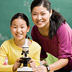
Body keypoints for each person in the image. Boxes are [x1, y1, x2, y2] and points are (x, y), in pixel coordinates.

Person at [30, 0, 72, 72]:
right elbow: (41, 56)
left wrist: (47, 68)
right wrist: (35, 63)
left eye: (43, 14)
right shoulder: (35, 31)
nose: (39, 18)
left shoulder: (62, 28)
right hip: (62, 67)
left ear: (50, 13)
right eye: (35, 14)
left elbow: (66, 59)